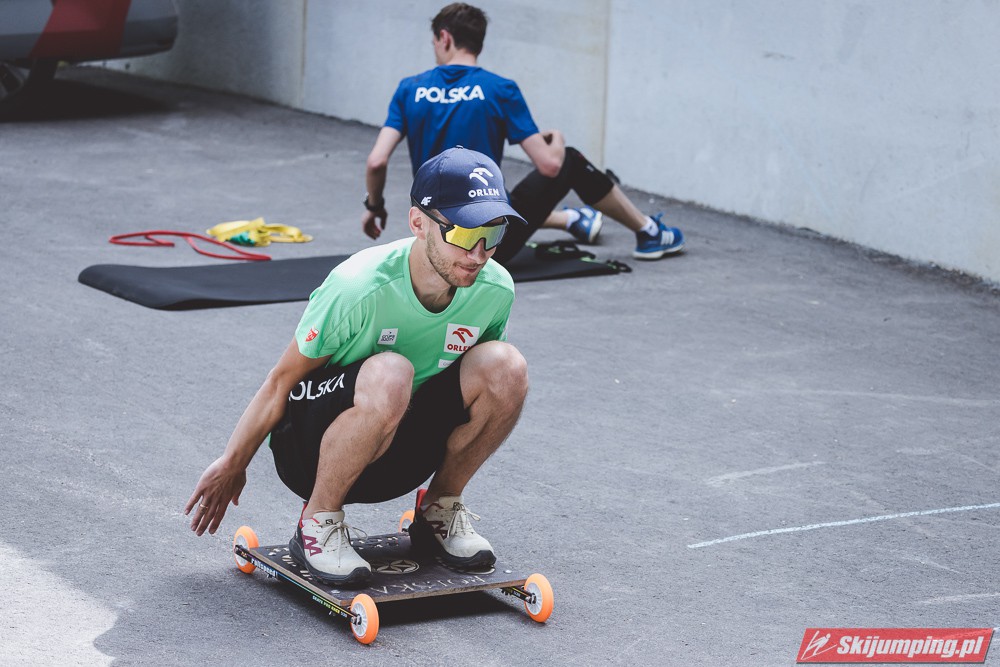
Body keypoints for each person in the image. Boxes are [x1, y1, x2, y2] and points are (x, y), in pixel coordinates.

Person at [186, 147, 530, 587]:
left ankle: (439, 509)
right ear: (418, 223)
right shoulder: (358, 288)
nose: (479, 254)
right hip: (310, 450)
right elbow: (281, 382)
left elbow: (474, 389)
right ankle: (317, 522)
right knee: (391, 371)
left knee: (506, 366)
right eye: (463, 233)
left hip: (402, 445)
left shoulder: (494, 289)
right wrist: (234, 461)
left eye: (492, 232)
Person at [361, 2, 685, 264]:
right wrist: (557, 139)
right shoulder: (499, 89)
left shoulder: (410, 89)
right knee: (568, 159)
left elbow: (376, 161)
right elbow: (550, 166)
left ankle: (572, 220)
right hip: (484, 243)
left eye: (434, 42)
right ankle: (649, 231)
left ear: (444, 38)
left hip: (432, 237)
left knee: (480, 198)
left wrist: (374, 207)